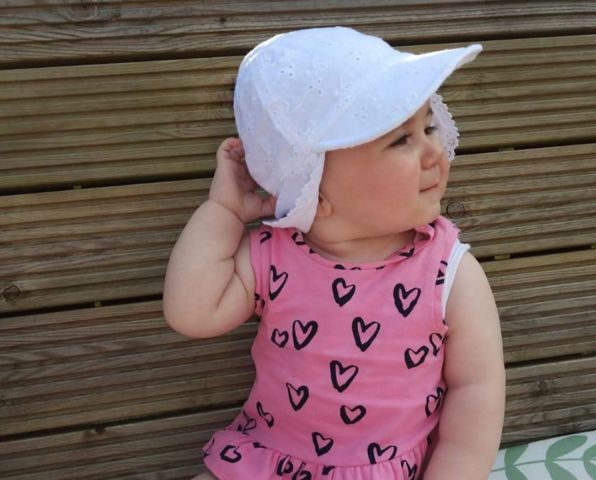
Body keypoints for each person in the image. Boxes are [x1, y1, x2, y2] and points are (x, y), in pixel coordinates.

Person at [163, 26, 505, 480]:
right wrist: (224, 211)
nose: (433, 152)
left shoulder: (448, 271)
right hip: (267, 462)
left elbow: (476, 389)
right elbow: (192, 312)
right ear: (314, 189)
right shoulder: (274, 257)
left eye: (428, 127)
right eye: (400, 139)